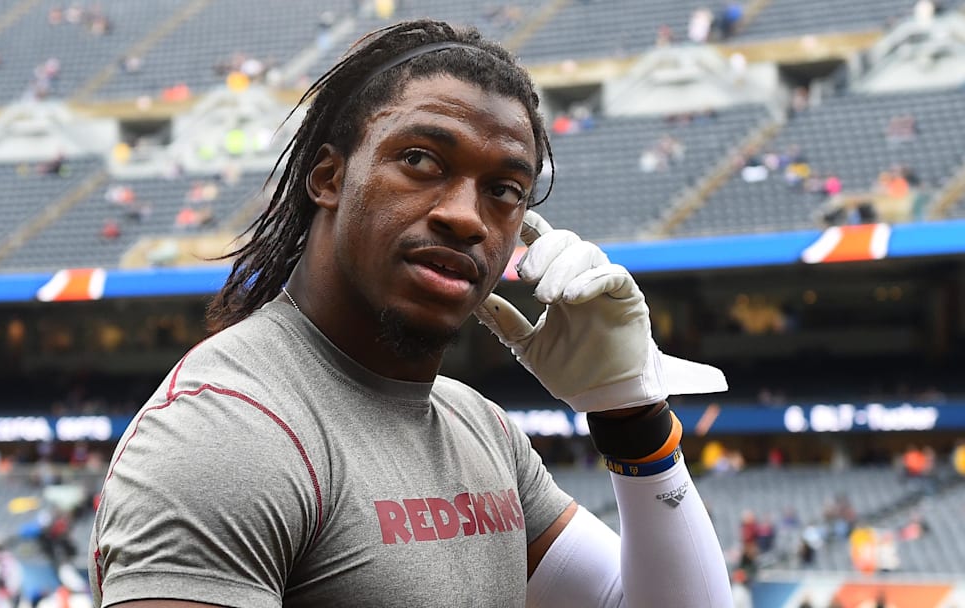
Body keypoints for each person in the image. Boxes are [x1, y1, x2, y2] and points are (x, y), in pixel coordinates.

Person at [90, 19, 731, 607]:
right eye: (421, 160)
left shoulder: (480, 429)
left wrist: (631, 416)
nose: (465, 216)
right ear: (329, 178)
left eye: (504, 190)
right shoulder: (227, 431)